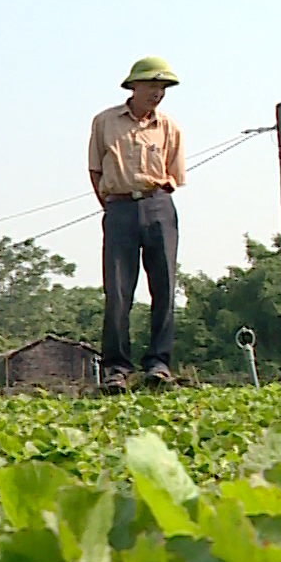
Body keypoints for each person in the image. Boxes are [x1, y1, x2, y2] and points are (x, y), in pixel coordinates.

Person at [87, 57, 186, 391]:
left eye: (163, 88)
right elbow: (95, 170)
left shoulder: (169, 127)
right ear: (133, 86)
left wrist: (149, 198)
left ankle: (159, 363)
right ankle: (116, 367)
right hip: (119, 209)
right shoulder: (105, 122)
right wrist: (116, 205)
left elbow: (175, 172)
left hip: (158, 204)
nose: (157, 94)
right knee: (117, 291)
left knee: (165, 287)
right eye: (151, 86)